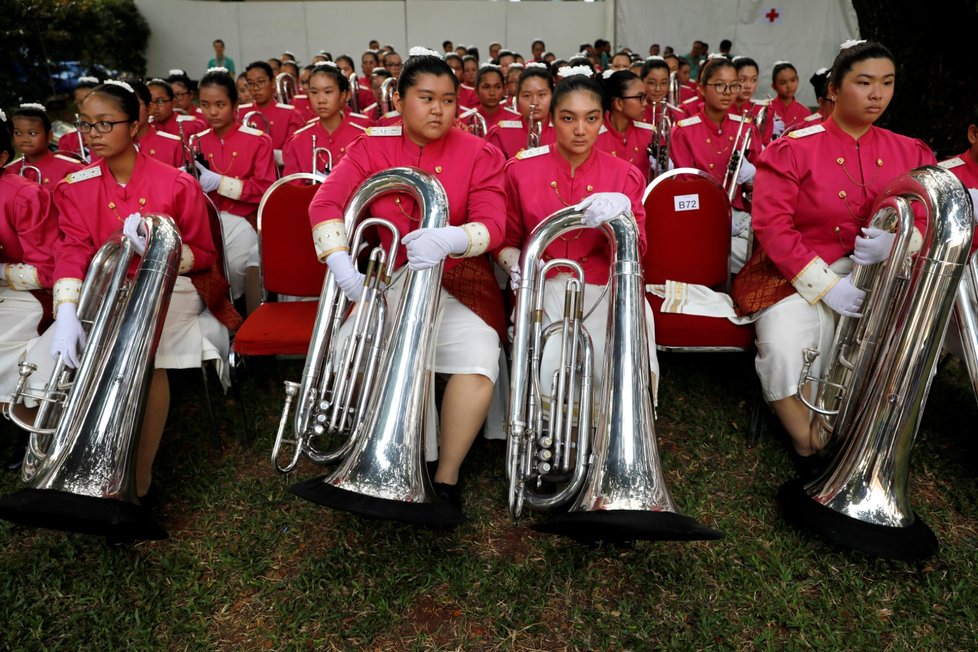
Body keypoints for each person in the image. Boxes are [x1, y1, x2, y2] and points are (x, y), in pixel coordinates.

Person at [307, 50, 507, 515]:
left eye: (449, 100)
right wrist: (343, 269)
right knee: (352, 348)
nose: (438, 109)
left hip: (458, 280)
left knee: (479, 355)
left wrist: (452, 237)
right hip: (391, 278)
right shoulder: (370, 146)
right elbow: (325, 204)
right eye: (425, 98)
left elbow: (494, 224)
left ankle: (447, 475)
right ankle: (377, 450)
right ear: (398, 100)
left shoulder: (479, 152)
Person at [732, 40, 935, 473]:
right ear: (835, 90)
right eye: (864, 83)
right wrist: (825, 286)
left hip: (881, 275)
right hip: (797, 272)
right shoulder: (793, 147)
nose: (877, 94)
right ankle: (808, 442)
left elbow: (925, 216)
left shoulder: (911, 151)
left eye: (887, 83)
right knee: (783, 346)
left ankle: (864, 434)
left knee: (904, 347)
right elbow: (772, 226)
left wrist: (903, 241)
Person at [35, 81, 229, 505]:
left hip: (171, 284)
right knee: (52, 356)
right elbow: (70, 250)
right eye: (86, 125)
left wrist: (160, 250)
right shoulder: (75, 185)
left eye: (105, 124)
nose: (93, 135)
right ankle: (71, 462)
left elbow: (205, 254)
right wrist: (64, 310)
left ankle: (135, 486)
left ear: (136, 125)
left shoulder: (176, 183)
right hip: (108, 289)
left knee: (142, 350)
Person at [495, 72, 658, 405]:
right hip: (545, 282)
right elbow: (505, 238)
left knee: (612, 370)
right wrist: (516, 264)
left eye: (591, 119)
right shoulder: (520, 169)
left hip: (605, 286)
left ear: (604, 120)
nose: (581, 130)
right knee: (547, 369)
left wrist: (621, 218)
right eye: (569, 118)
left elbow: (638, 249)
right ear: (552, 119)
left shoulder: (625, 175)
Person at [195, 69, 276, 312]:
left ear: (235, 105)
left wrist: (220, 183)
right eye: (205, 105)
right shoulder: (195, 141)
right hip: (208, 223)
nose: (212, 112)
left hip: (246, 220)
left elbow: (264, 189)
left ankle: (236, 314)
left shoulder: (258, 140)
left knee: (233, 267)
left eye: (220, 104)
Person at [669, 57, 761, 273]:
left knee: (764, 249)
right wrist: (714, 214)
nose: (728, 91)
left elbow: (763, 187)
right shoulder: (684, 131)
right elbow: (685, 190)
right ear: (701, 88)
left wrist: (752, 177)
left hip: (740, 219)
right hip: (700, 218)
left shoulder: (747, 129)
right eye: (719, 85)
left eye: (733, 85)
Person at [0, 109, 59, 417]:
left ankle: (23, 412)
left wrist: (2, 271)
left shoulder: (24, 195)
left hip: (31, 294)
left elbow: (49, 271)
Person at [282, 62, 366, 177]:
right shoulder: (297, 141)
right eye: (314, 92)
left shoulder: (363, 138)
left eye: (328, 92)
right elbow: (292, 188)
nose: (321, 99)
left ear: (345, 95)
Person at [237, 61, 305, 166]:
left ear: (273, 82)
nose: (255, 88)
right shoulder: (240, 113)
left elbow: (297, 154)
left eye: (261, 82)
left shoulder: (290, 114)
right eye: (250, 84)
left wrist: (268, 154)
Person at [486, 65, 556, 159]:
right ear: (517, 98)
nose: (534, 102)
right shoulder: (500, 132)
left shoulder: (564, 131)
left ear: (553, 96)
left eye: (542, 95)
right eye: (527, 96)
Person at [597, 70, 654, 180]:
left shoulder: (650, 134)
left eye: (645, 97)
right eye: (639, 97)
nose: (645, 103)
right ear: (619, 103)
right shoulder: (594, 136)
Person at [10, 103, 83, 186]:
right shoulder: (10, 171)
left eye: (32, 133)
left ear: (49, 136)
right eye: (18, 133)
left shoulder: (71, 169)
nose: (25, 139)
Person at [763, 61, 812, 142]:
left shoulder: (805, 112)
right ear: (774, 86)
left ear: (798, 80)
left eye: (793, 80)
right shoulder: (766, 108)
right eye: (783, 83)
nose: (789, 86)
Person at [466, 63, 520, 131]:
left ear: (504, 90)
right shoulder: (465, 120)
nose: (492, 93)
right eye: (486, 87)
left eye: (497, 87)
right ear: (476, 90)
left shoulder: (516, 120)